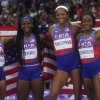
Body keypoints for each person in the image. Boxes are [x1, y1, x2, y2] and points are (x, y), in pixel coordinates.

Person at [41, 5, 82, 100]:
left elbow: (87, 34)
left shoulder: (75, 27)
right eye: (58, 15)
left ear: (67, 14)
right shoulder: (52, 29)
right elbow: (46, 39)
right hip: (61, 66)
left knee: (77, 95)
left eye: (63, 14)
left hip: (75, 65)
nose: (60, 17)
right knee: (53, 94)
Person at [16, 16, 44, 100]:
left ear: (32, 25)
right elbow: (3, 46)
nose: (26, 25)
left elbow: (53, 45)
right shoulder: (16, 39)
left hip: (36, 71)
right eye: (23, 24)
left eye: (28, 23)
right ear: (20, 26)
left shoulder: (39, 38)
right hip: (23, 72)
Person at [77, 12, 100, 100]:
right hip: (85, 71)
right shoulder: (79, 36)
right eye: (84, 21)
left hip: (97, 69)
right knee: (91, 98)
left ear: (93, 22)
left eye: (89, 21)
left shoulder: (97, 34)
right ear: (81, 23)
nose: (86, 23)